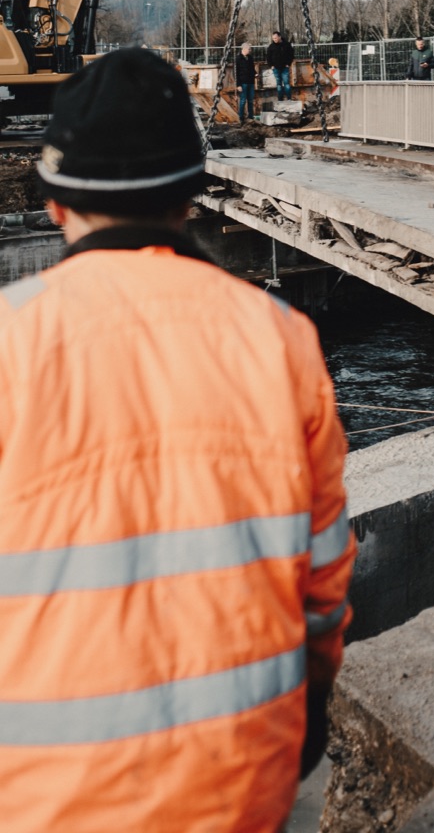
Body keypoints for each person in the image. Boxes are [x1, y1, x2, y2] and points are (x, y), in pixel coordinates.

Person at [0, 49, 355, 832]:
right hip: (237, 784)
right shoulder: (281, 339)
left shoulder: (10, 345)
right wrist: (309, 705)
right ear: (192, 198)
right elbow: (323, 582)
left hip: (39, 796)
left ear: (57, 205)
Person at [267, 29, 295, 99]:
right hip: (276, 68)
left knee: (286, 83)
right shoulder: (271, 47)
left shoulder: (286, 45)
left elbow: (291, 54)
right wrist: (271, 65)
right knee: (279, 84)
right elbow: (268, 57)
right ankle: (280, 98)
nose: (274, 39)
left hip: (284, 67)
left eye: (276, 38)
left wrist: (288, 63)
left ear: (279, 37)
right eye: (273, 38)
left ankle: (289, 98)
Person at [236, 40, 257, 120]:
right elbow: (236, 73)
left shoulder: (250, 58)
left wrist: (255, 73)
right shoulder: (238, 59)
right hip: (243, 82)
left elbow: (252, 68)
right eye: (249, 49)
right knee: (243, 100)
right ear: (244, 49)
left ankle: (250, 116)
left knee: (250, 100)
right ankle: (241, 117)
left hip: (250, 81)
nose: (250, 50)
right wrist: (238, 85)